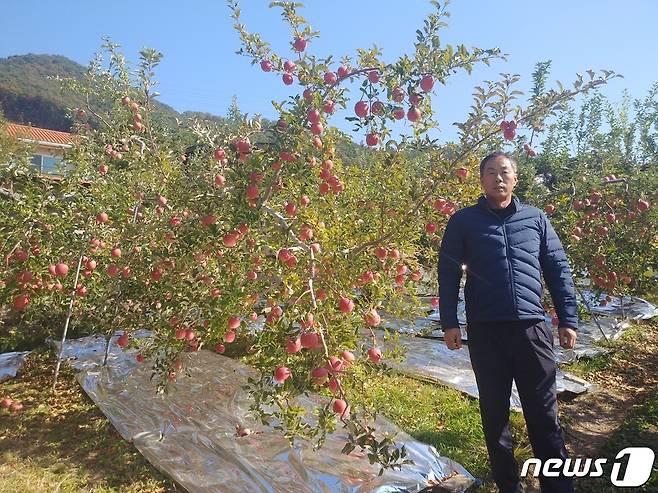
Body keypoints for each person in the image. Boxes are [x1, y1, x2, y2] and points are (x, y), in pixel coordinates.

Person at [438, 151, 578, 493]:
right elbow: (448, 273)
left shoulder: (536, 219)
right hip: (486, 332)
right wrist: (449, 322)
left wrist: (567, 318)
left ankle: (558, 486)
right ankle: (508, 485)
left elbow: (557, 270)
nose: (498, 178)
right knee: (495, 413)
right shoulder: (463, 221)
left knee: (544, 413)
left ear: (515, 179)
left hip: (532, 328)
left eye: (504, 172)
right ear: (481, 180)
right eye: (490, 172)